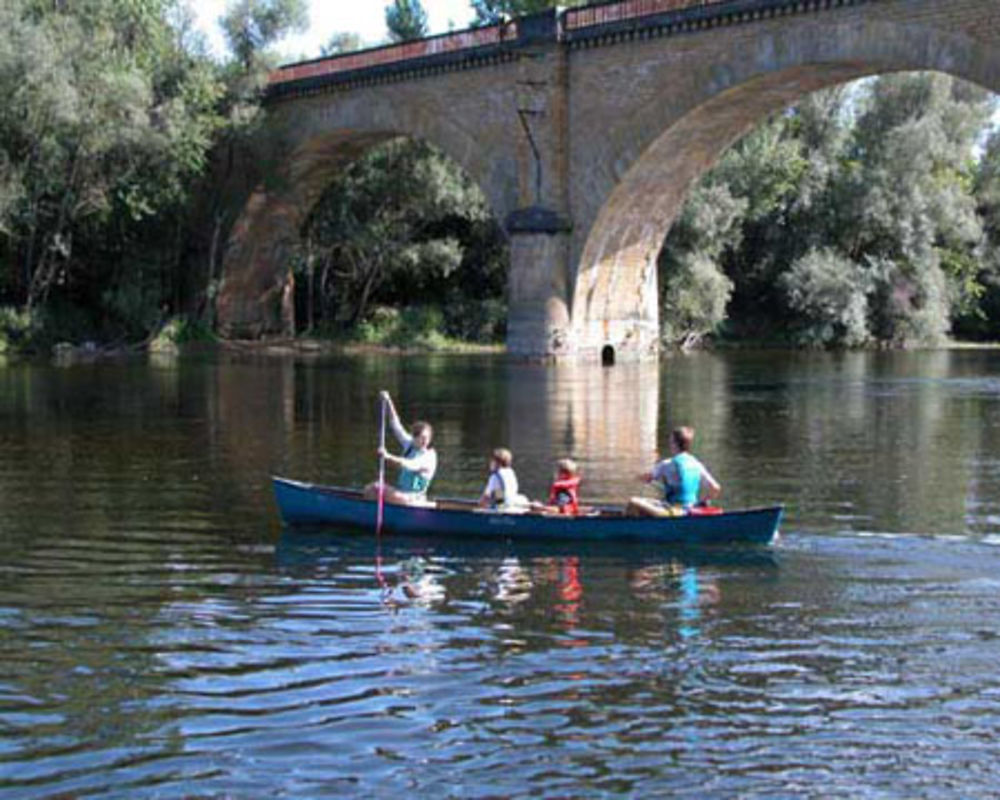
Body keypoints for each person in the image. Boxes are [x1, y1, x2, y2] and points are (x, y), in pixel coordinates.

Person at [626, 426, 720, 516]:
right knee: (653, 502)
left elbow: (647, 478)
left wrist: (635, 476)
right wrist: (701, 502)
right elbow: (715, 488)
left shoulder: (667, 464)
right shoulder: (696, 463)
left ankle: (630, 527)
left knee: (633, 502)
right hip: (691, 510)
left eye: (671, 441)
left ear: (674, 444)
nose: (670, 444)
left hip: (672, 512)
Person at [365, 390, 437, 506]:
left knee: (375, 487)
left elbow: (409, 464)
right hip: (402, 494)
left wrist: (388, 456)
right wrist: (388, 401)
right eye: (421, 438)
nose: (425, 441)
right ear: (414, 437)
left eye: (427, 438)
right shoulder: (410, 445)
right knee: (369, 489)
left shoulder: (429, 457)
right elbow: (395, 424)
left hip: (413, 499)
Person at [478, 447, 529, 511]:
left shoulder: (495, 477)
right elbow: (501, 493)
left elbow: (485, 498)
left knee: (480, 509)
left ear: (497, 463)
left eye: (492, 461)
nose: (490, 464)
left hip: (506, 508)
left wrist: (479, 505)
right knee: (498, 500)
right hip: (515, 505)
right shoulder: (510, 472)